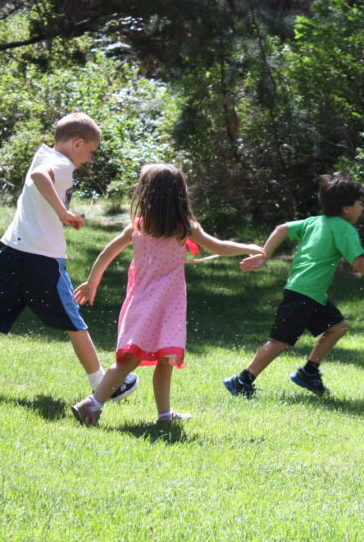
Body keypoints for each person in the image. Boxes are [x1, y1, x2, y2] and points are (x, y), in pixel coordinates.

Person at [0, 113, 138, 402]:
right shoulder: (63, 164)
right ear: (77, 143)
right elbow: (40, 177)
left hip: (13, 253)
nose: (89, 159)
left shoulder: (44, 154)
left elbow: (38, 173)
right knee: (75, 323)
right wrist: (63, 213)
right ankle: (105, 385)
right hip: (43, 259)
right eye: (90, 152)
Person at [70, 164, 263, 425]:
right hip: (166, 308)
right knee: (160, 360)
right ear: (178, 195)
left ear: (146, 194)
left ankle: (156, 414)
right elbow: (219, 246)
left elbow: (106, 253)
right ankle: (93, 405)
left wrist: (92, 282)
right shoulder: (184, 228)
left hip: (140, 304)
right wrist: (248, 247)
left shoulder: (137, 227)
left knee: (136, 359)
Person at [223, 173, 364, 398]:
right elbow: (358, 261)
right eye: (359, 203)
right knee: (281, 341)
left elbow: (281, 228)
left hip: (309, 293)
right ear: (346, 208)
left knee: (338, 327)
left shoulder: (314, 221)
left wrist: (264, 254)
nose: (362, 208)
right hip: (305, 293)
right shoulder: (344, 228)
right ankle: (242, 379)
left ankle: (309, 372)